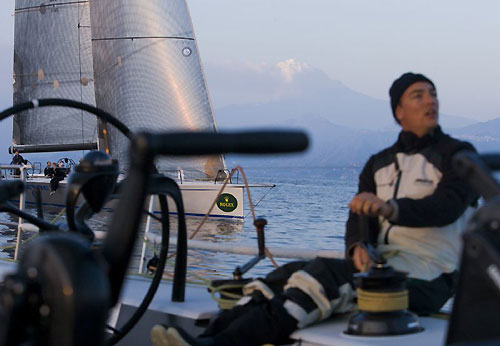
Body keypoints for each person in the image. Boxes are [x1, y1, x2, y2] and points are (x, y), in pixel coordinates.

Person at [151, 72, 478, 346]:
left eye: (432, 94)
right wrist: (358, 246)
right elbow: (359, 215)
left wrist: (391, 208)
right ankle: (207, 338)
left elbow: (447, 206)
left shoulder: (458, 155)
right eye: (418, 95)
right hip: (382, 267)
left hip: (431, 275)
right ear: (398, 112)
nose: (430, 101)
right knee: (284, 276)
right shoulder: (378, 163)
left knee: (326, 272)